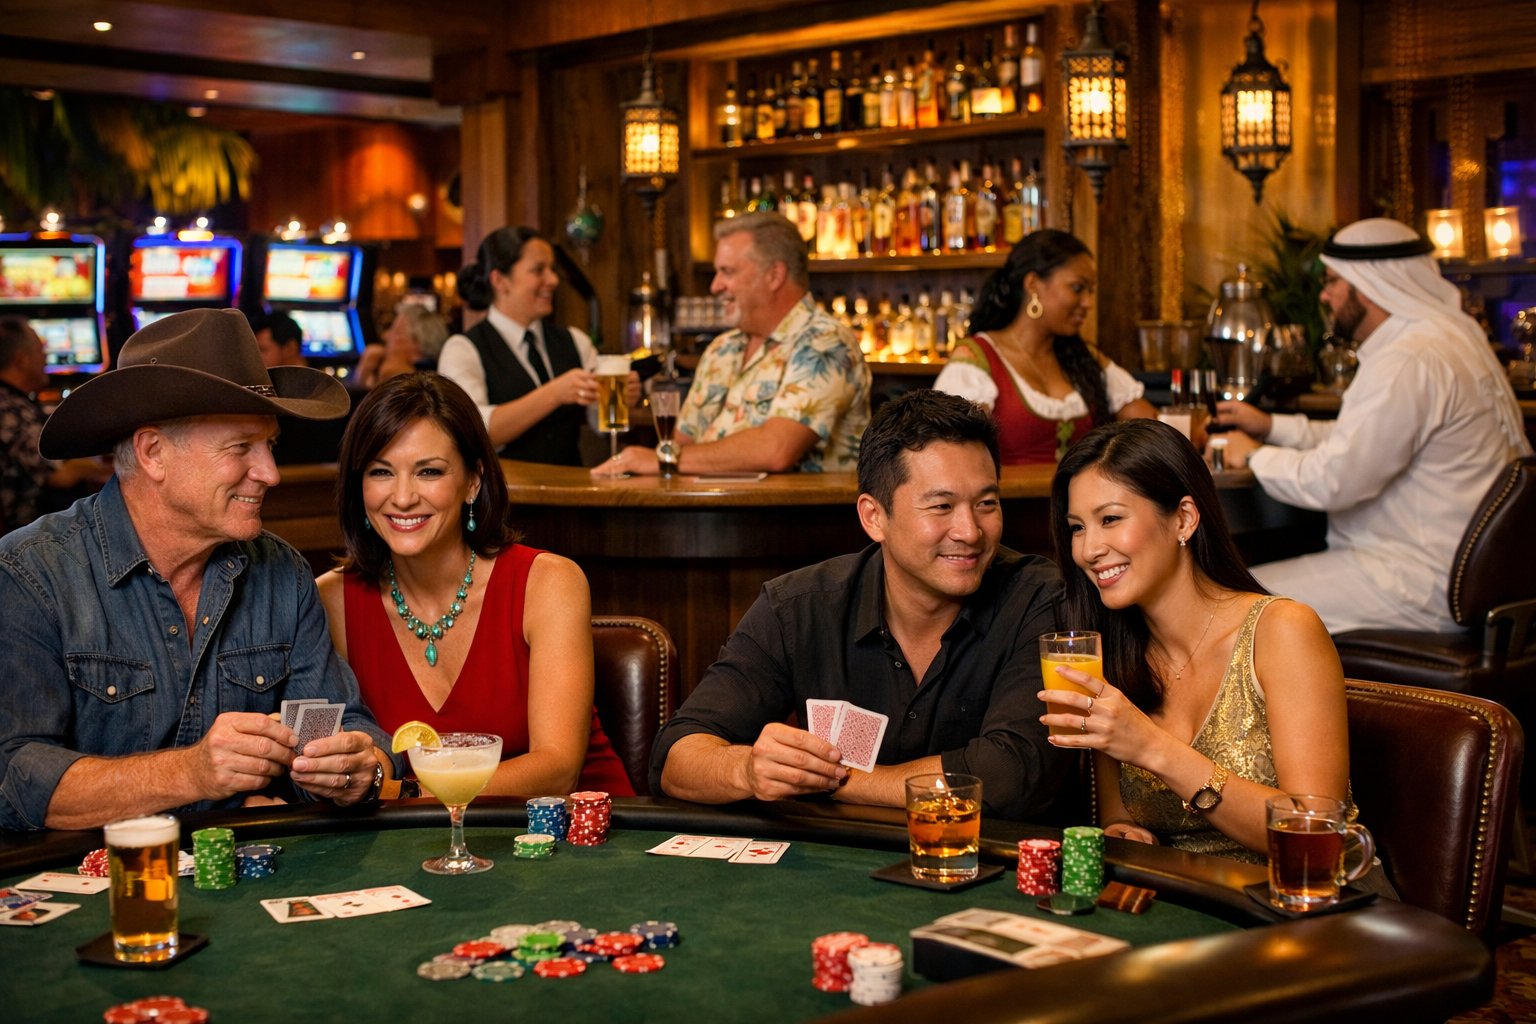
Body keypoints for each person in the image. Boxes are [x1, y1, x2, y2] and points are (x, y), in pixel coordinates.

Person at [0, 308, 398, 831]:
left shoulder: (282, 571)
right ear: (153, 452)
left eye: (269, 445)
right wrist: (193, 774)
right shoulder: (32, 573)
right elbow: (15, 779)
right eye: (240, 448)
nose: (270, 473)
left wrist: (355, 769)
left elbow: (342, 725)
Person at [651, 389, 1066, 822]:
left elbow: (1012, 776)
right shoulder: (799, 607)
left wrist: (832, 782)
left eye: (986, 504)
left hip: (989, 869)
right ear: (874, 517)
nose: (970, 531)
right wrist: (747, 770)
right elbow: (675, 758)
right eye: (941, 506)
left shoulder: (1037, 598)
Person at [1039, 419, 1351, 863]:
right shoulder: (1113, 658)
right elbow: (1116, 818)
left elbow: (1315, 841)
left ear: (1184, 518)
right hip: (1186, 904)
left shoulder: (1282, 630)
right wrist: (1123, 832)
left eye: (1110, 519)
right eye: (1076, 527)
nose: (1088, 550)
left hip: (1306, 904)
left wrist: (1152, 747)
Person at [317, 372, 633, 796]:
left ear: (473, 481)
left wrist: (396, 793)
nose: (404, 496)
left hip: (576, 839)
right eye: (381, 472)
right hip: (420, 852)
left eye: (429, 471)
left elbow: (557, 772)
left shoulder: (549, 583)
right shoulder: (329, 600)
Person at [1214, 217, 1532, 634]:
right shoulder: (1453, 335)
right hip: (1460, 574)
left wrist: (1254, 455)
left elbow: (1335, 478)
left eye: (1332, 282)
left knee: (1223, 610)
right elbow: (1365, 440)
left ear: (1368, 285)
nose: (1325, 296)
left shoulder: (1408, 358)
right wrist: (1272, 427)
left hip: (1413, 579)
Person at [602, 211, 871, 476]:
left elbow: (776, 450)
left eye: (727, 272)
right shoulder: (722, 348)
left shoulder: (825, 342)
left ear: (774, 275)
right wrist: (665, 459)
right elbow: (681, 445)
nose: (715, 286)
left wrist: (663, 459)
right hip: (707, 515)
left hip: (796, 518)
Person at [933, 229, 1157, 464]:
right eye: (1078, 288)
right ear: (1033, 285)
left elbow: (1150, 428)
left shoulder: (1083, 358)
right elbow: (954, 460)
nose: (1088, 303)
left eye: (1091, 291)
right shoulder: (976, 358)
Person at [438, 226, 639, 466]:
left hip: (573, 494)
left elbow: (599, 425)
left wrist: (622, 400)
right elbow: (474, 432)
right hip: (506, 499)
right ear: (500, 281)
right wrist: (554, 393)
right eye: (538, 270)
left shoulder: (575, 341)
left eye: (552, 269)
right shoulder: (462, 349)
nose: (553, 280)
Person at [0, 317, 111, 534]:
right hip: (29, 534)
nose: (46, 358)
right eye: (40, 351)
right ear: (21, 360)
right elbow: (59, 476)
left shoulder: (12, 402)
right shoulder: (10, 411)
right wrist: (110, 468)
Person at [355, 304, 449, 390]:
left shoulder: (397, 374)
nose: (385, 336)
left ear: (415, 341)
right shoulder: (437, 376)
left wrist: (365, 369)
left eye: (395, 331)